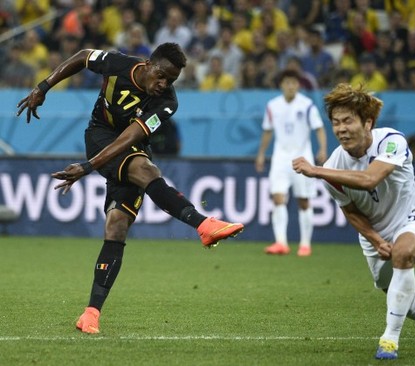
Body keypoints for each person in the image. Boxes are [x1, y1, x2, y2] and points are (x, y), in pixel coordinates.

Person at [15, 43, 244, 334]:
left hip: (128, 144)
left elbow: (132, 135)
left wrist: (88, 167)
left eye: (170, 81)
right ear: (149, 64)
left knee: (117, 225)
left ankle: (90, 314)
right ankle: (203, 225)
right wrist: (43, 87)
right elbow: (84, 56)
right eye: (161, 76)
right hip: (99, 135)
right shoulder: (119, 64)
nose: (163, 85)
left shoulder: (168, 103)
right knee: (145, 170)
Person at [292, 83, 415, 360]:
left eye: (348, 120)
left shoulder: (392, 141)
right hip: (375, 234)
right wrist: (375, 239)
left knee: (403, 253)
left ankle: (389, 340)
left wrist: (317, 171)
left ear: (368, 122)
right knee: (395, 291)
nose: (341, 129)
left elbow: (371, 178)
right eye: (336, 123)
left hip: (414, 216)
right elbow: (350, 211)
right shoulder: (333, 166)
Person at [255, 69, 327, 257]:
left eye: (294, 83)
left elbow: (319, 128)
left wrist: (322, 149)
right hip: (280, 159)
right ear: (281, 85)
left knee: (303, 201)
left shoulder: (307, 105)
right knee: (278, 198)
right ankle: (281, 243)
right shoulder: (273, 106)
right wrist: (262, 154)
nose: (290, 86)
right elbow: (268, 131)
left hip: (303, 158)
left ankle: (305, 244)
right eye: (287, 82)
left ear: (298, 85)